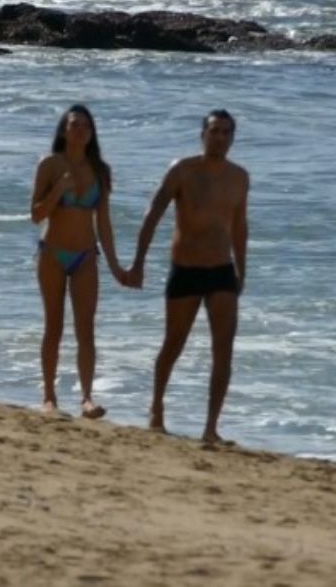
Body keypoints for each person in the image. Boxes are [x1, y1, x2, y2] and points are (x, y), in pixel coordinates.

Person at [127, 109, 249, 445]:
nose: (219, 137)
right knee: (173, 344)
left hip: (222, 271)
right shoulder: (182, 170)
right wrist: (138, 263)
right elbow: (153, 213)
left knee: (224, 350)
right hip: (186, 270)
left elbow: (239, 226)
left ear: (232, 138)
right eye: (214, 131)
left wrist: (242, 267)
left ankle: (211, 427)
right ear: (202, 134)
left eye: (226, 132)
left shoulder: (240, 177)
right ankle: (155, 409)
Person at [30, 105, 129, 418]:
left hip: (86, 255)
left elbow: (105, 224)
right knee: (54, 326)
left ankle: (87, 398)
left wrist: (115, 266)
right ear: (63, 130)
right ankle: (49, 396)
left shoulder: (100, 170)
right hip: (52, 254)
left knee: (86, 329)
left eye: (86, 126)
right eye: (74, 125)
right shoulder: (49, 164)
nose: (80, 130)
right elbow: (36, 215)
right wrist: (59, 188)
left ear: (92, 134)